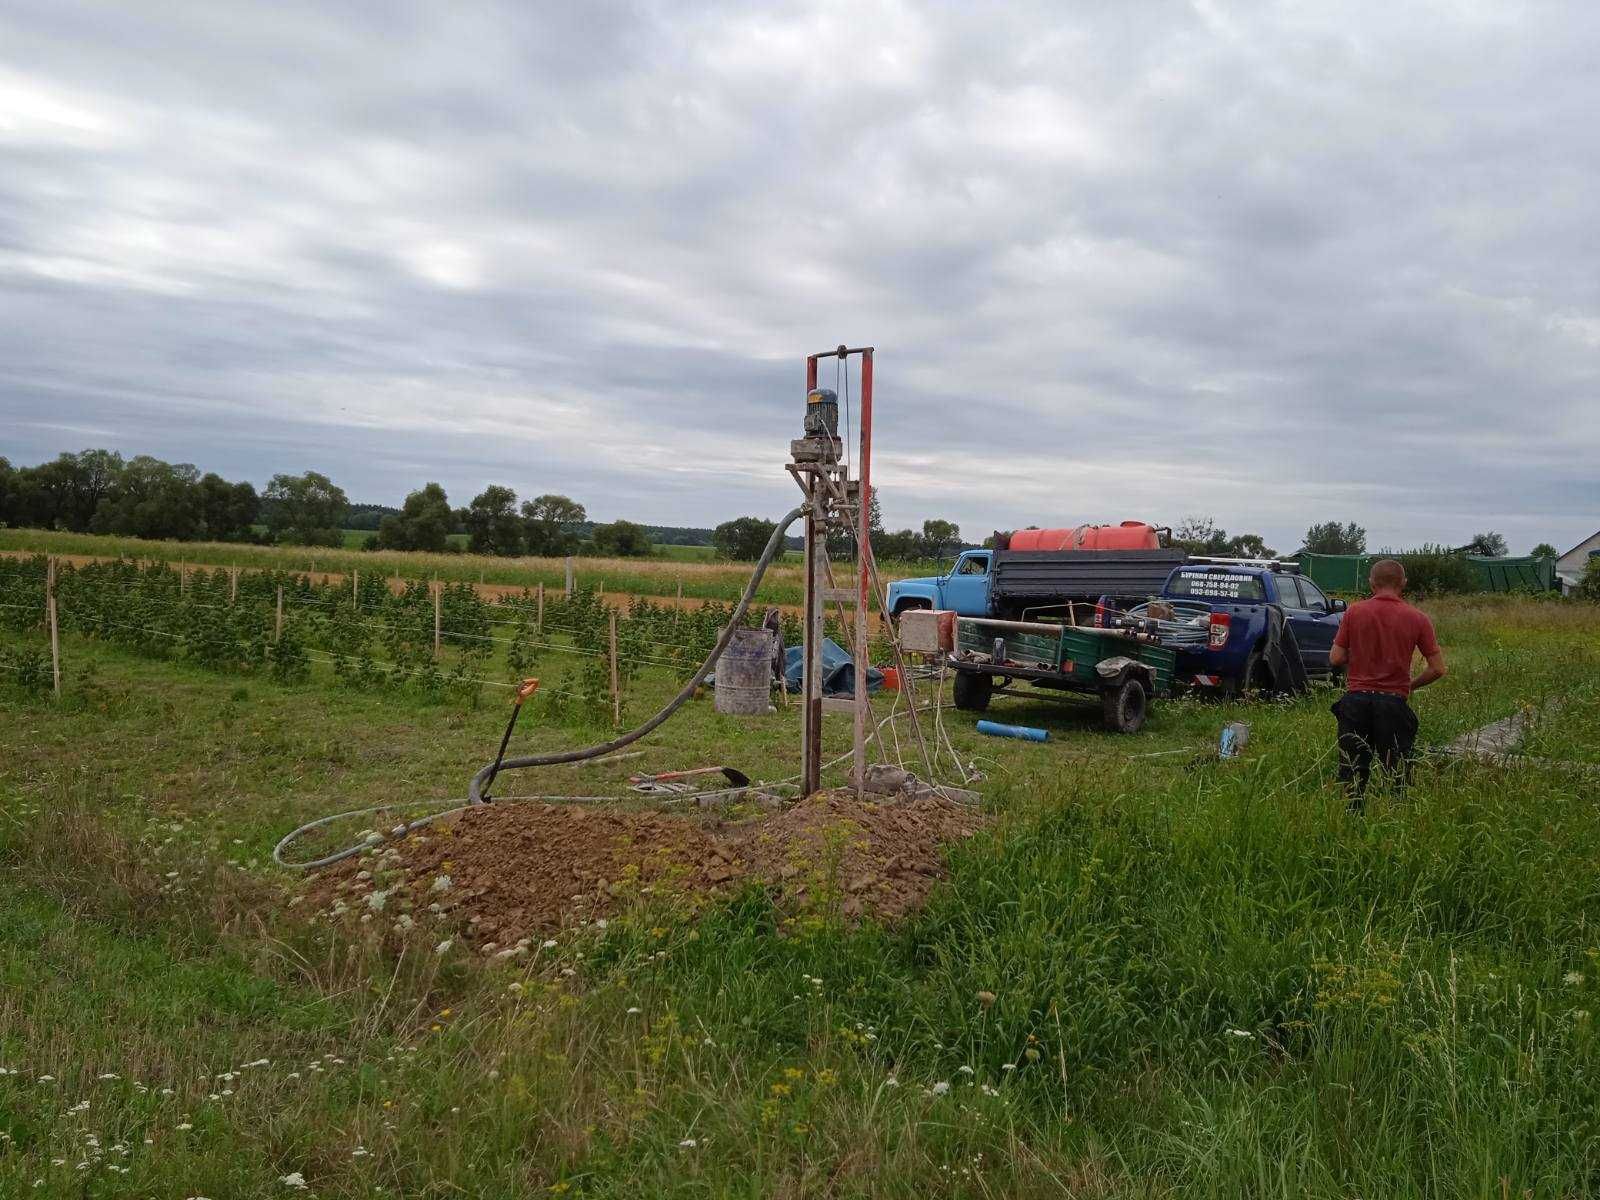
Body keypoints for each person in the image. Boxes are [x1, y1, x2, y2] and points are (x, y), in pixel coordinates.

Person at [1328, 559, 1447, 806]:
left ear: (1371, 583)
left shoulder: (1354, 612)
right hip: (1393, 704)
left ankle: (1352, 817)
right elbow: (1438, 669)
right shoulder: (1418, 618)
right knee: (1397, 771)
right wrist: (1409, 686)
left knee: (1352, 769)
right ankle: (1395, 815)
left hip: (1356, 702)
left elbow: (1336, 657)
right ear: (1403, 583)